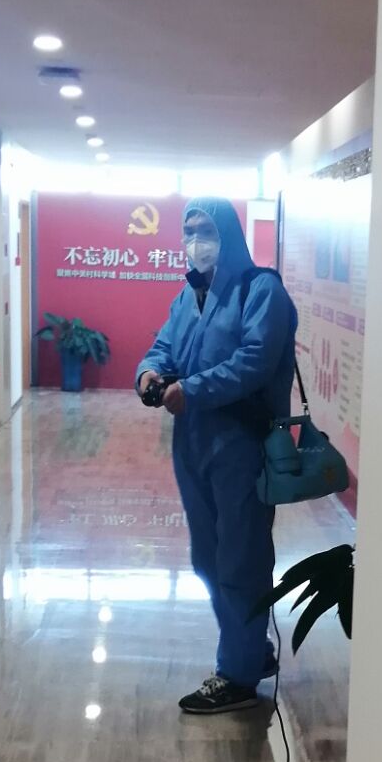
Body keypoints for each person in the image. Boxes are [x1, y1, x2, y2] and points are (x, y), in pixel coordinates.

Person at [136, 198, 297, 714]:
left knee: (240, 559)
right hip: (192, 441)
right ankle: (252, 648)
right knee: (207, 558)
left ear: (227, 233)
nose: (195, 242)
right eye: (188, 231)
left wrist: (193, 390)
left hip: (241, 444)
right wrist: (149, 372)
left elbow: (255, 361)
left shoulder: (261, 290)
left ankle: (238, 675)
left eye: (205, 230)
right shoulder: (189, 294)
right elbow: (164, 346)